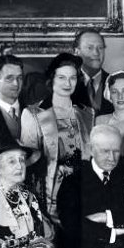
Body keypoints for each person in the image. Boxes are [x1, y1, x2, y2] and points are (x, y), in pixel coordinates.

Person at [20, 52, 94, 226]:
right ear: (51, 79)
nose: (67, 83)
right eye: (61, 77)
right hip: (49, 196)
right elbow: (28, 163)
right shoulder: (33, 114)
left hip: (83, 194)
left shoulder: (87, 114)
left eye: (72, 78)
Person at [73, 29, 114, 115]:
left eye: (100, 48)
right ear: (77, 52)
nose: (96, 53)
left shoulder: (115, 82)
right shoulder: (66, 84)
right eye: (90, 48)